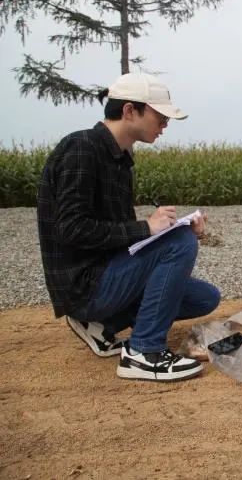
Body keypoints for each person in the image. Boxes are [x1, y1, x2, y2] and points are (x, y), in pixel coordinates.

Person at [37, 73, 220, 382]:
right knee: (179, 244)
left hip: (107, 273)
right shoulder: (81, 148)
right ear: (129, 111)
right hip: (85, 286)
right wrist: (147, 229)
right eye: (160, 117)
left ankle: (103, 325)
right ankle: (143, 352)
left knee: (205, 297)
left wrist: (169, 229)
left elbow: (117, 235)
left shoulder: (119, 159)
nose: (165, 125)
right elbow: (70, 229)